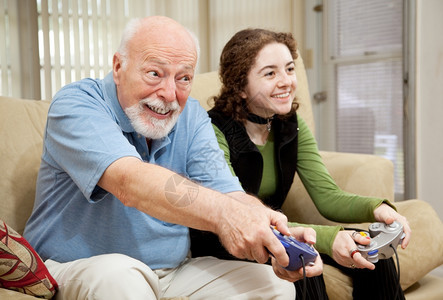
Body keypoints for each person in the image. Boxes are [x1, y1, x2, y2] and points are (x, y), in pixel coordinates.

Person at [23, 17, 323, 300]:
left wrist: (270, 229)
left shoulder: (191, 115)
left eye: (183, 78)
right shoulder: (77, 104)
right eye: (155, 73)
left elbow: (227, 191)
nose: (169, 93)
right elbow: (130, 182)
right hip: (79, 265)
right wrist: (226, 216)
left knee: (274, 286)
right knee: (119, 277)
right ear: (118, 67)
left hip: (172, 270)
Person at [189, 28, 412, 300]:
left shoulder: (291, 125)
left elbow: (328, 196)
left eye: (290, 69)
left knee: (373, 254)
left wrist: (379, 209)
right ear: (240, 86)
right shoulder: (213, 131)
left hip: (280, 231)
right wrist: (330, 239)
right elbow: (235, 213)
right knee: (303, 264)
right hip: (229, 242)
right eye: (270, 73)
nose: (286, 81)